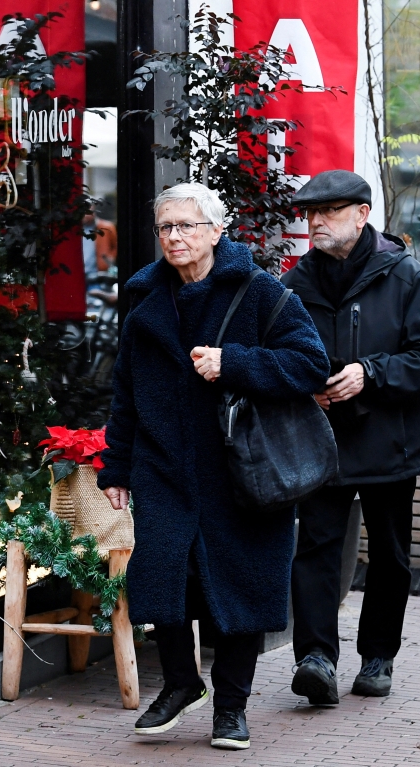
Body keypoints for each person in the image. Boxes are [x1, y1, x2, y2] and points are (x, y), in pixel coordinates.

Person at [98, 182, 330, 749]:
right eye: (166, 228)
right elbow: (124, 392)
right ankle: (180, 682)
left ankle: (231, 707)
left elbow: (310, 365)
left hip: (242, 470)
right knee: (160, 577)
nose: (175, 237)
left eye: (187, 226)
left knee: (241, 587)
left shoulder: (260, 293)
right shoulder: (146, 303)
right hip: (165, 468)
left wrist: (235, 362)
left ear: (215, 232)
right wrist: (116, 466)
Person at [282, 170, 420, 704]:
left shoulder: (408, 276)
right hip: (320, 442)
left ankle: (378, 657)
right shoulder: (293, 284)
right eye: (311, 213)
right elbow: (278, 356)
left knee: (391, 556)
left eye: (329, 211)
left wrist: (370, 373)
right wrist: (305, 386)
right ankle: (315, 658)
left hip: (388, 440)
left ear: (361, 215)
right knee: (314, 551)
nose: (316, 222)